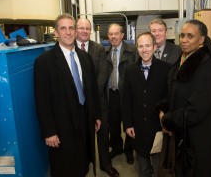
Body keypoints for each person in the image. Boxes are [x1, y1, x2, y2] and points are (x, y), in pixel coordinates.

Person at [34, 13, 101, 177]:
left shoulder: (85, 58)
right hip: (61, 126)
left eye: (71, 28)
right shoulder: (44, 62)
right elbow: (42, 100)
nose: (68, 32)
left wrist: (95, 115)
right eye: (63, 28)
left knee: (83, 162)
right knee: (64, 167)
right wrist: (49, 131)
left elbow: (92, 90)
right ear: (56, 32)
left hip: (84, 120)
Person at [158, 19, 211, 177]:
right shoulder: (185, 58)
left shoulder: (206, 65)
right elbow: (176, 91)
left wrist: (169, 121)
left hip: (197, 138)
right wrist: (163, 109)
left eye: (190, 36)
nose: (184, 40)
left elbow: (196, 109)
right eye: (182, 35)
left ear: (201, 40)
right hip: (183, 132)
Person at [76, 18, 119, 177]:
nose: (85, 31)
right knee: (82, 134)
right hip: (78, 102)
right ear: (76, 30)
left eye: (87, 28)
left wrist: (91, 95)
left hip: (99, 99)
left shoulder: (99, 49)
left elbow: (103, 74)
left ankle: (105, 164)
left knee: (103, 133)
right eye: (81, 28)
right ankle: (84, 163)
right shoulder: (70, 48)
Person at [123, 32, 171, 177]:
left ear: (155, 47)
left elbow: (170, 97)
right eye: (141, 46)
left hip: (158, 126)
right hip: (138, 127)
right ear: (137, 49)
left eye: (148, 45)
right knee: (142, 166)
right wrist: (128, 124)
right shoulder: (130, 70)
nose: (144, 50)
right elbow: (127, 100)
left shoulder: (166, 69)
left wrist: (167, 121)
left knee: (158, 166)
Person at [106, 23, 136, 165]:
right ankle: (117, 147)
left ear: (122, 35)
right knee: (113, 124)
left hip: (127, 94)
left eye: (116, 33)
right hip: (112, 94)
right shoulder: (105, 52)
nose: (113, 37)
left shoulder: (133, 51)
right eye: (111, 34)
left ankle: (129, 150)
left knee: (129, 122)